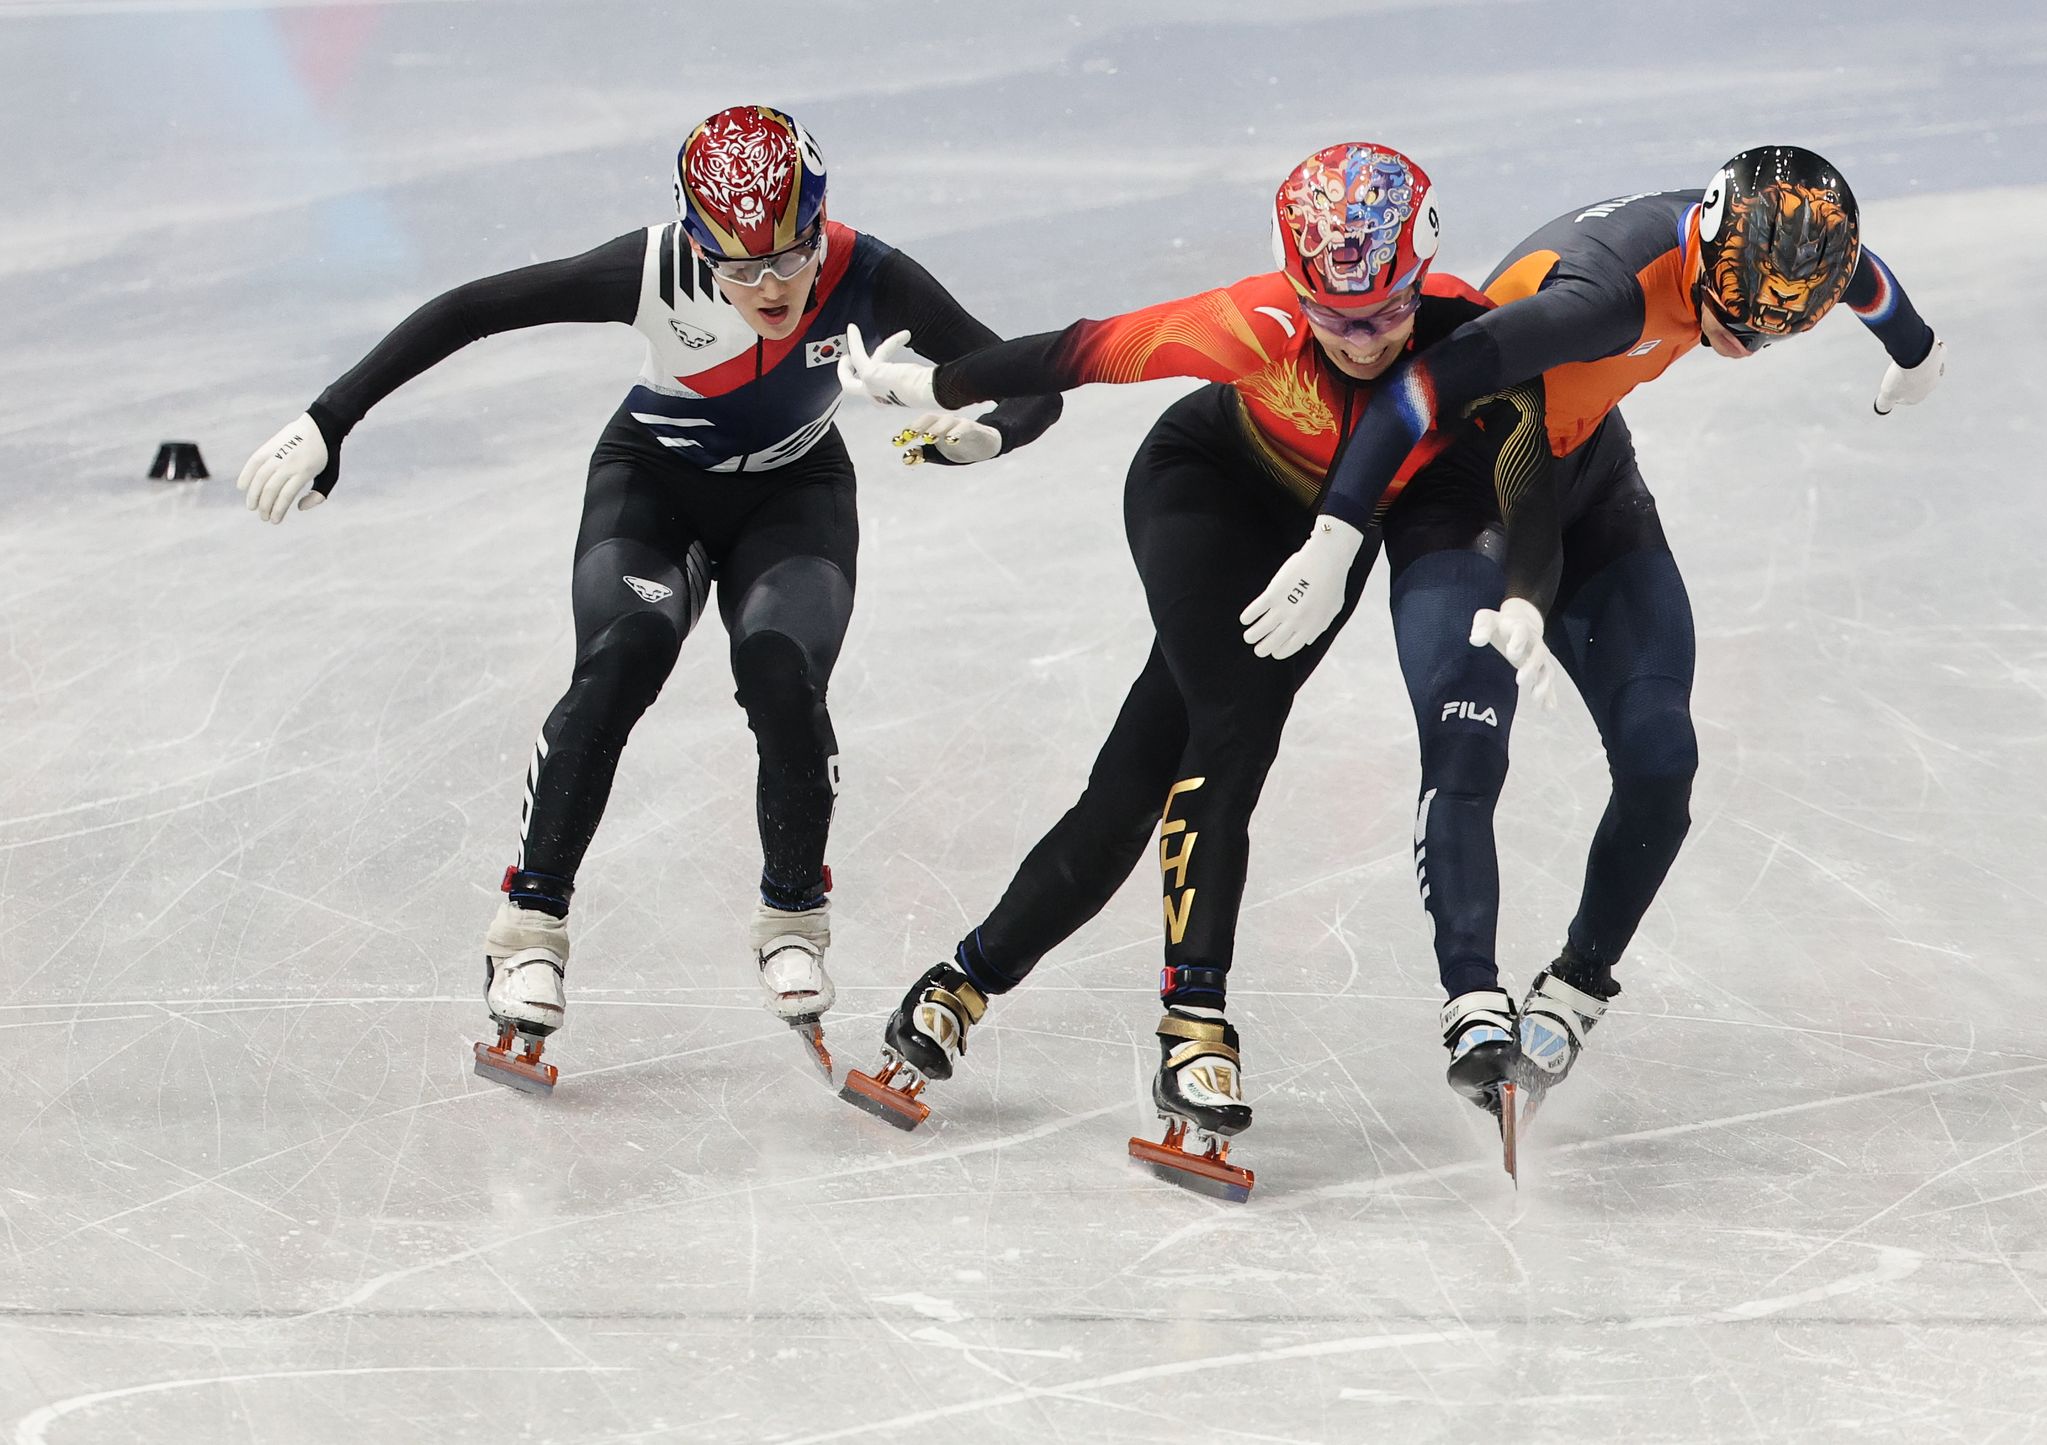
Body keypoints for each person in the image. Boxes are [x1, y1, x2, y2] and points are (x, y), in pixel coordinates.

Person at [235, 104, 1060, 1093]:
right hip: (652, 488)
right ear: (695, 241)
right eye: (738, 267)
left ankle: (793, 915)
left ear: (821, 222)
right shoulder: (653, 267)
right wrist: (332, 419)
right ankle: (529, 924)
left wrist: (981, 431)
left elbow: (1034, 382)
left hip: (795, 498)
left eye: (789, 257)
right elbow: (471, 307)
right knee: (622, 658)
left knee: (780, 670)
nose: (771, 287)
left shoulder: (870, 274)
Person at [836, 142, 1560, 1196]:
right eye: (1333, 313)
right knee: (1231, 728)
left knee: (1134, 783)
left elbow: (1527, 471)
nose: (1360, 340)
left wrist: (1529, 591)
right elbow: (1079, 350)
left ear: (1424, 273)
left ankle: (958, 982)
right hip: (1203, 493)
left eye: (1385, 312)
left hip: (1325, 547)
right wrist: (932, 380)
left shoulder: (1475, 336)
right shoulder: (1254, 322)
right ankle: (1194, 1021)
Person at [1235, 145, 1945, 1125]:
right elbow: (1419, 385)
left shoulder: (1767, 249)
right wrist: (1334, 529)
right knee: (1467, 738)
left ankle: (1573, 989)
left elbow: (1859, 272)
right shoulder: (1598, 301)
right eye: (1728, 325)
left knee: (1662, 755)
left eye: (1766, 334)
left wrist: (1914, 347)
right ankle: (1472, 1001)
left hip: (1585, 474)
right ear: (1700, 249)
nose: (1740, 345)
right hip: (1460, 495)